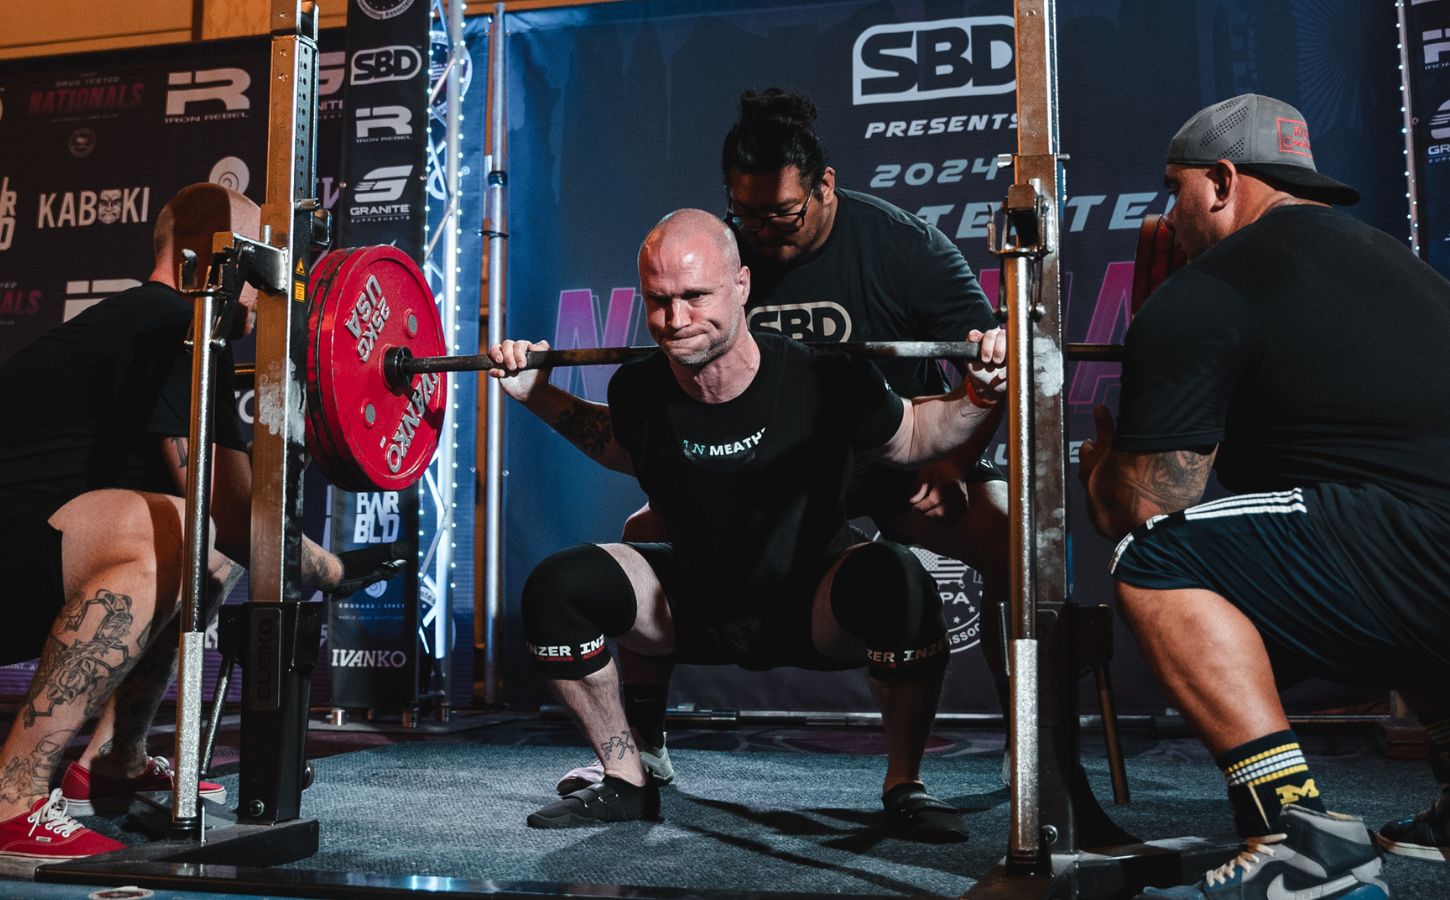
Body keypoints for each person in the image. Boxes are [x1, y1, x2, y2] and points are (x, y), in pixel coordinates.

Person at [488, 209, 1007, 838]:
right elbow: (619, 445)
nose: (676, 320)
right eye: (659, 301)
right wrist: (539, 393)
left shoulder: (825, 375)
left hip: (813, 608)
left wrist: (978, 395)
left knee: (897, 577)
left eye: (695, 296)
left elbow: (918, 434)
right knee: (557, 587)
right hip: (694, 606)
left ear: (741, 285)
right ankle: (626, 779)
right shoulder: (640, 389)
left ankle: (904, 785)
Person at [553, 87, 1011, 798]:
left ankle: (1029, 744)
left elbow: (990, 365)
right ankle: (646, 749)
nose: (766, 232)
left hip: (892, 460)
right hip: (775, 476)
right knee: (644, 537)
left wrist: (950, 460)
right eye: (748, 216)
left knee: (1011, 542)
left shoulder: (904, 248)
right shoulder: (724, 259)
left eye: (782, 214)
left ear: (824, 186)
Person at [1080, 93, 1450, 898]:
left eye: (1172, 190)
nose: (1166, 216)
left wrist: (1103, 465)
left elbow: (1141, 507)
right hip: (1422, 551)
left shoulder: (1211, 288)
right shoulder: (1397, 265)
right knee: (1365, 538)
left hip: (1419, 547)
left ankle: (1299, 840)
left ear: (1220, 181)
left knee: (1158, 558)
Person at [0, 182, 405, 860]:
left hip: (25, 553)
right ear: (208, 257)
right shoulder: (172, 323)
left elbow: (231, 523)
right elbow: (236, 512)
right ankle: (12, 801)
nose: (268, 286)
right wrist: (334, 571)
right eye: (258, 262)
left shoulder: (173, 329)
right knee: (172, 529)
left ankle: (115, 761)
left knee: (203, 550)